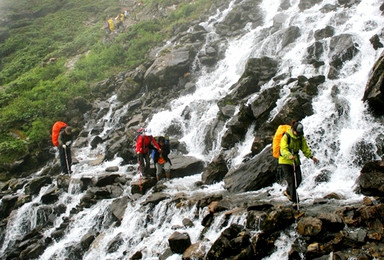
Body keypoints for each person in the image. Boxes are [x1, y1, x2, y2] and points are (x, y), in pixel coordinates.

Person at [279, 121, 318, 206]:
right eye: (297, 132)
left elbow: (305, 148)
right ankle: (295, 203)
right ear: (293, 130)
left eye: (300, 133)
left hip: (295, 160)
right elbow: (283, 149)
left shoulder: (300, 137)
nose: (298, 134)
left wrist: (311, 157)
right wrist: (289, 155)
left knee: (298, 179)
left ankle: (288, 192)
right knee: (292, 182)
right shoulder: (286, 136)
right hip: (285, 161)